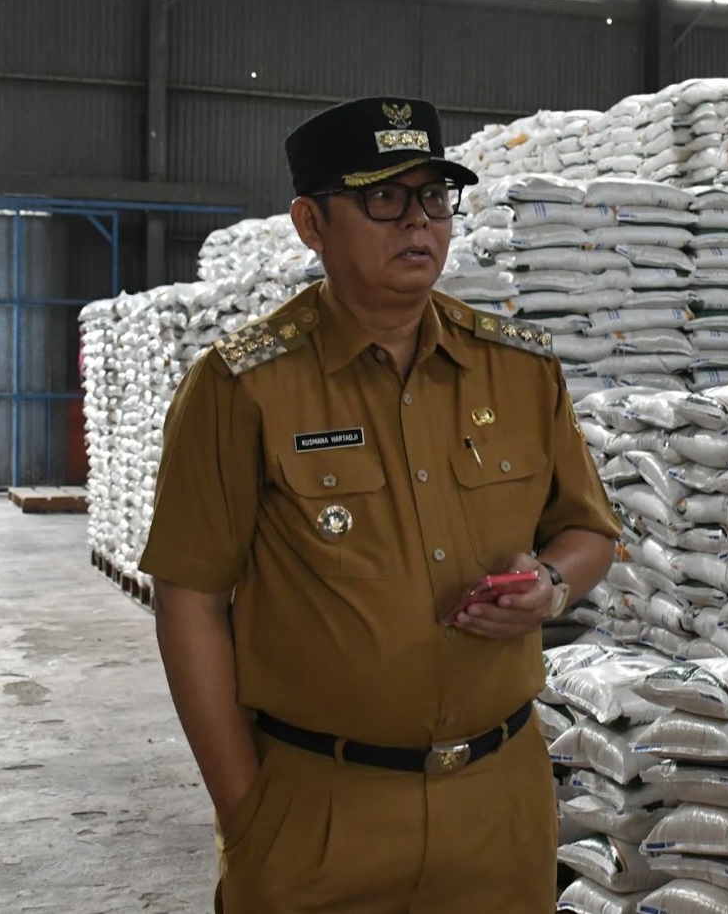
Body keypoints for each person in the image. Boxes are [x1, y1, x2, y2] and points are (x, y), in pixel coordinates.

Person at [141, 96, 620, 914]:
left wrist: (551, 584)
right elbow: (190, 598)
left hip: (498, 806)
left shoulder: (517, 368)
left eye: (435, 197)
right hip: (322, 810)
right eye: (383, 198)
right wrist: (245, 808)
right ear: (310, 222)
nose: (418, 223)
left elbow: (587, 529)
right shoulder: (243, 387)